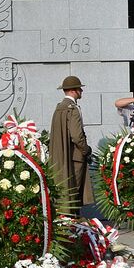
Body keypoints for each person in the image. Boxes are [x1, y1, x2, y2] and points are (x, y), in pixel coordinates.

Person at [49, 75, 92, 214]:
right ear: (74, 90)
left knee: (64, 188)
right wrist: (86, 150)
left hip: (62, 156)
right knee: (74, 190)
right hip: (75, 157)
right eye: (80, 88)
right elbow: (77, 136)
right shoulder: (72, 109)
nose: (81, 91)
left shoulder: (59, 108)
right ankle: (72, 221)